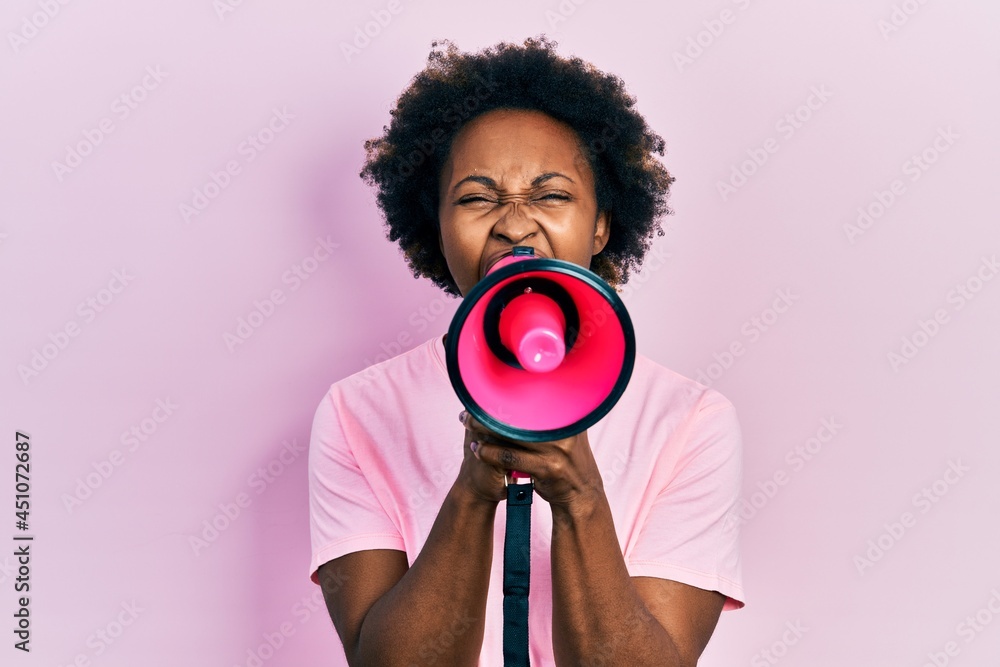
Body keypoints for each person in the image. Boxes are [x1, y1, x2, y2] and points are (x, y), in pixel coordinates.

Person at [308, 36, 745, 666]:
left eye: (551, 195)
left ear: (601, 223)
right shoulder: (358, 412)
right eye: (477, 198)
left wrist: (579, 496)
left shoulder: (691, 422)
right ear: (436, 224)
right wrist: (474, 486)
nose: (514, 224)